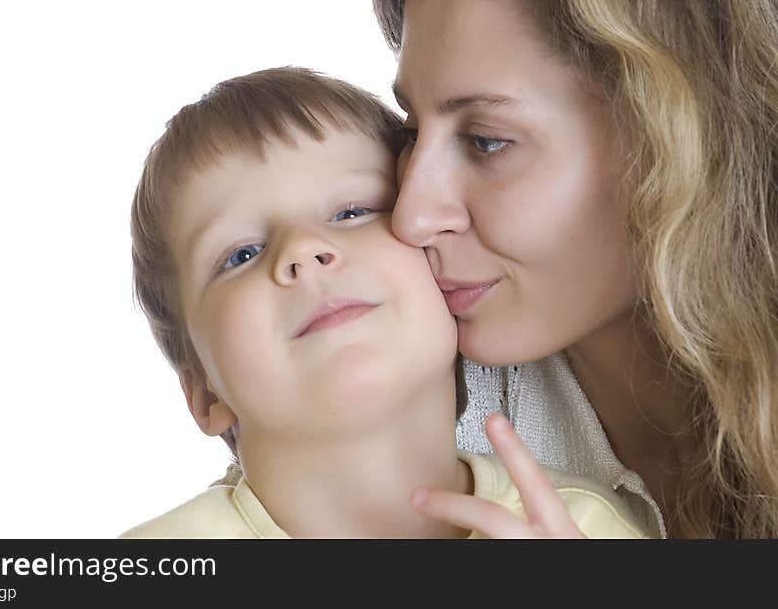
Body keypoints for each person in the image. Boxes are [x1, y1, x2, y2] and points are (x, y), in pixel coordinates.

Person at [120, 67, 651, 538]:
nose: (303, 250)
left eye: (352, 212)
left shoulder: (578, 529)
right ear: (205, 395)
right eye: (242, 254)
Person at [368, 0, 778, 538]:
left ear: (682, 143)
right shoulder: (405, 422)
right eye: (411, 133)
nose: (410, 217)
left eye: (485, 142)